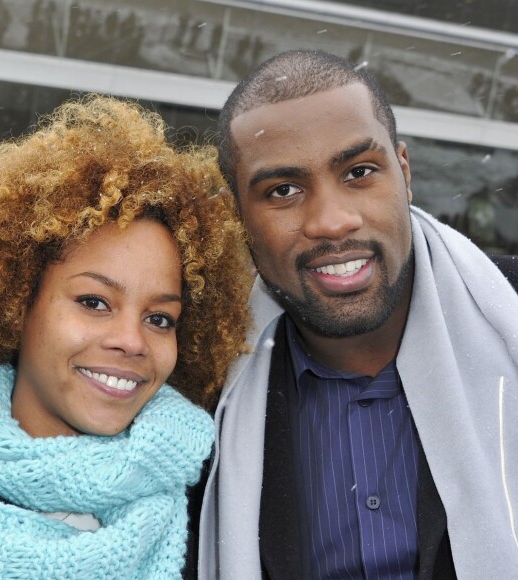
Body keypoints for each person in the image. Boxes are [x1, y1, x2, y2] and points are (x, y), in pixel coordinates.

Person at [198, 50, 518, 579]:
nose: (332, 221)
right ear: (239, 219)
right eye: (283, 190)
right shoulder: (194, 391)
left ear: (405, 172)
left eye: (359, 172)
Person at [0, 95, 251, 579]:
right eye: (94, 303)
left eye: (160, 318)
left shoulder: (214, 507)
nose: (132, 341)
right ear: (16, 302)